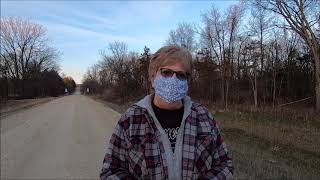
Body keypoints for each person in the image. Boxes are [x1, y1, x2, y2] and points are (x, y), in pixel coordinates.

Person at [100, 46, 233, 180]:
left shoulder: (203, 117)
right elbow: (110, 171)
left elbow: (225, 165)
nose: (174, 79)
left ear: (187, 83)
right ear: (153, 78)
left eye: (181, 75)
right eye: (166, 72)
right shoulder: (131, 119)